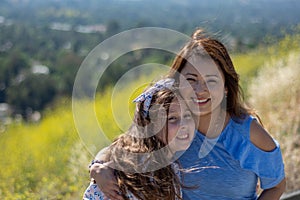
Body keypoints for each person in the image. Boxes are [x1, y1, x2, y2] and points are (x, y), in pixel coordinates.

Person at [90, 28, 286, 200]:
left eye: (211, 81)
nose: (200, 90)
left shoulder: (248, 134)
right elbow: (126, 144)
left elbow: (276, 185)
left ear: (226, 86)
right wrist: (98, 167)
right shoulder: (169, 118)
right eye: (191, 79)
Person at [83, 78, 195, 200]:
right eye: (173, 118)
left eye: (188, 115)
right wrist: (97, 167)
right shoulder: (137, 172)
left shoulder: (169, 166)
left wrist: (96, 166)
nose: (184, 124)